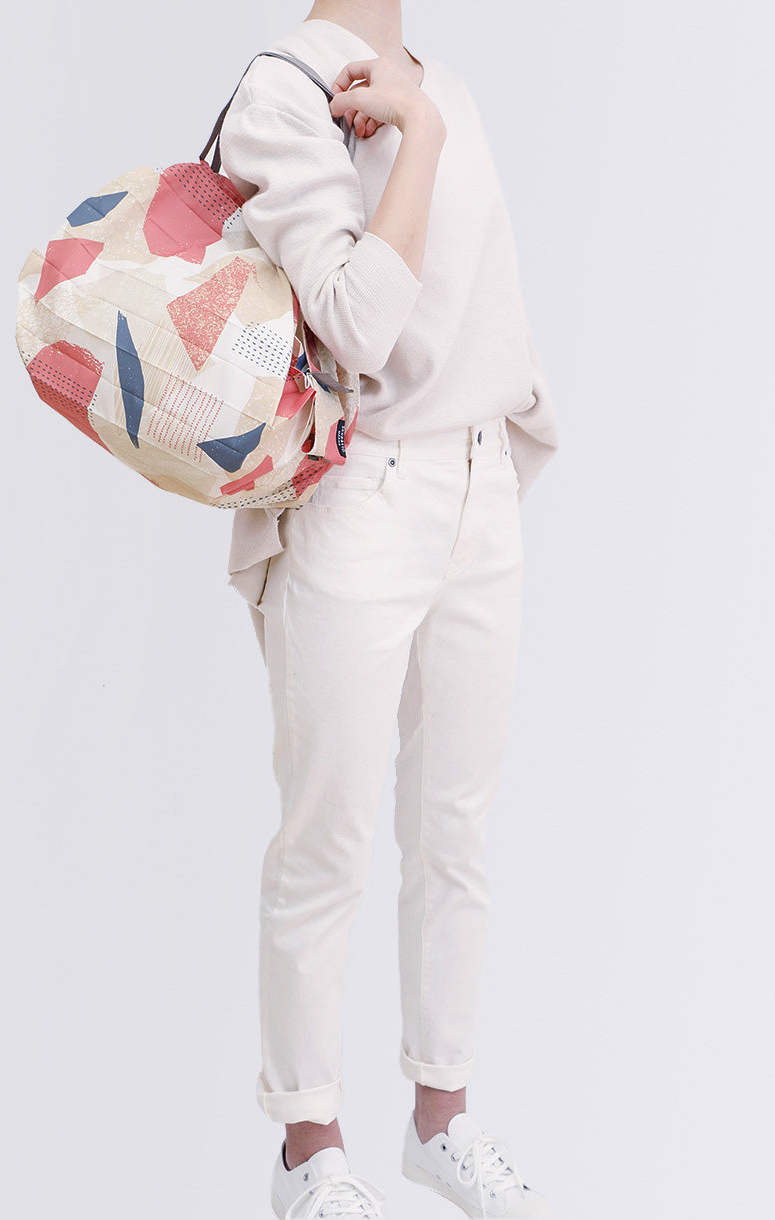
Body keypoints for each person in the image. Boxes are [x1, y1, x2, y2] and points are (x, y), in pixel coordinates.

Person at [218, 3, 561, 1217]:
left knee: (454, 824)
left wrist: (503, 451)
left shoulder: (440, 81)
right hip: (360, 491)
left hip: (477, 483)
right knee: (330, 834)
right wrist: (415, 139)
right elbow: (359, 321)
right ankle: (310, 1147)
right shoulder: (285, 92)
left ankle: (441, 1116)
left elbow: (483, 302)